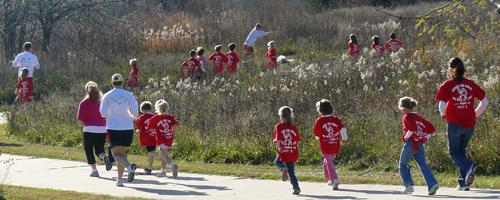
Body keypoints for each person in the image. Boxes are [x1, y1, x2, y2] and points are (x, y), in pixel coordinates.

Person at [435, 57, 488, 191]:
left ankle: (469, 165)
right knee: (461, 152)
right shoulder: (470, 83)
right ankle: (463, 183)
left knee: (453, 152)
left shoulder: (447, 85)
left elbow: (441, 104)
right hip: (469, 124)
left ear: (450, 69)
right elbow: (485, 102)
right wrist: (475, 114)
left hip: (454, 123)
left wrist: (443, 114)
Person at [99, 73, 139, 187]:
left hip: (114, 127)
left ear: (112, 83)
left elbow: (103, 113)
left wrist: (110, 113)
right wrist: (133, 116)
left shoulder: (107, 95)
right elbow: (135, 111)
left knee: (116, 154)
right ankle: (120, 179)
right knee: (122, 154)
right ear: (122, 83)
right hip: (127, 126)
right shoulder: (129, 95)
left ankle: (129, 167)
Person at [397, 96, 439, 195]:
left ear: (404, 108)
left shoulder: (407, 117)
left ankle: (408, 185)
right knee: (422, 164)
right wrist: (424, 138)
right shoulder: (420, 118)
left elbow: (411, 128)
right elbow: (431, 128)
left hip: (410, 143)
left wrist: (407, 137)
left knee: (402, 165)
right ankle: (432, 184)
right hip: (419, 144)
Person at [77, 81, 113, 177]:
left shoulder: (83, 103)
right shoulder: (101, 103)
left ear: (86, 91)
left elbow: (80, 117)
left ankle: (94, 170)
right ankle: (104, 157)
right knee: (99, 149)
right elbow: (106, 115)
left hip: (89, 128)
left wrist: (86, 120)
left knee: (89, 150)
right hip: (101, 129)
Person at [313, 99, 347, 190]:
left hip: (325, 145)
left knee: (329, 161)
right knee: (327, 160)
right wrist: (344, 139)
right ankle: (329, 179)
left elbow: (317, 135)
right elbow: (343, 129)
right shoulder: (336, 119)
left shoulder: (319, 121)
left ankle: (334, 179)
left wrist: (319, 138)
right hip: (335, 144)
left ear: (320, 111)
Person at [147, 100, 179, 178]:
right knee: (162, 154)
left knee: (165, 155)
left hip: (162, 138)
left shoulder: (156, 118)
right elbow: (175, 124)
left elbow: (149, 127)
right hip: (169, 137)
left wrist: (155, 129)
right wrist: (172, 132)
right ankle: (163, 171)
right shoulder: (170, 117)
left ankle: (172, 166)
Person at [273, 106, 301, 195]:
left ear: (281, 116)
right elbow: (296, 139)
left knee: (277, 162)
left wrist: (279, 147)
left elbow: (278, 138)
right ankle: (296, 187)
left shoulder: (279, 126)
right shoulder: (293, 126)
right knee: (291, 172)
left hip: (283, 150)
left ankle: (283, 168)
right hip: (292, 151)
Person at [135, 101, 163, 175]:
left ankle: (162, 157)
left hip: (147, 137)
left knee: (150, 152)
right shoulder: (155, 117)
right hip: (155, 136)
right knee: (151, 153)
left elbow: (139, 129)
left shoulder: (142, 117)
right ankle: (149, 168)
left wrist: (136, 132)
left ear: (143, 110)